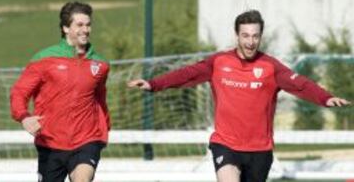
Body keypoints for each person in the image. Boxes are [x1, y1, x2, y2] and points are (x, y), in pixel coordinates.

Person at [127, 10, 351, 182]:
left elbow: (299, 84)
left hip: (259, 150)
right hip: (226, 144)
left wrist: (325, 97)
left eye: (255, 36)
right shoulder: (218, 62)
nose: (250, 42)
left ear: (260, 37)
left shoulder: (270, 67)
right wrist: (154, 84)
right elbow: (187, 74)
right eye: (245, 35)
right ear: (237, 35)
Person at [10, 1, 110, 182]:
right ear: (65, 28)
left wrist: (104, 130)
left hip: (86, 140)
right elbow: (19, 92)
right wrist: (23, 116)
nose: (85, 30)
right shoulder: (44, 59)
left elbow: (100, 100)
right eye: (79, 25)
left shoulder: (100, 65)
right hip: (50, 141)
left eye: (88, 25)